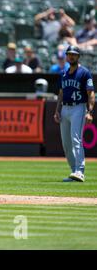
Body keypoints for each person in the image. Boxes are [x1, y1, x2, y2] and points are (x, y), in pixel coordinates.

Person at [54, 45, 95, 182]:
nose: (71, 56)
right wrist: (57, 110)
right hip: (65, 108)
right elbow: (60, 93)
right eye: (69, 54)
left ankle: (80, 171)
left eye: (74, 54)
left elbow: (91, 93)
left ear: (78, 56)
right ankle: (73, 171)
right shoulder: (63, 74)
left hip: (79, 107)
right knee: (66, 144)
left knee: (76, 139)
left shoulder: (84, 73)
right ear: (66, 56)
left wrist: (89, 111)